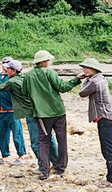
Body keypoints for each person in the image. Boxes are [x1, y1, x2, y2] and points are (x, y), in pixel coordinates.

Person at [77, 58, 112, 187]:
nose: (84, 70)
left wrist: (81, 79)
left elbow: (82, 93)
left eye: (87, 68)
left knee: (108, 150)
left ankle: (111, 179)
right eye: (83, 67)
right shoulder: (100, 78)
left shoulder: (94, 82)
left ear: (94, 69)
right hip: (111, 118)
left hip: (104, 119)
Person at [0, 59, 58, 171]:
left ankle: (44, 167)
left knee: (36, 142)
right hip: (41, 110)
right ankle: (57, 164)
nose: (5, 70)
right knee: (48, 137)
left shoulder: (12, 81)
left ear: (13, 70)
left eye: (8, 68)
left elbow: (0, 87)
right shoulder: (26, 78)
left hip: (31, 113)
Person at [25, 50, 81, 180]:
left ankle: (44, 170)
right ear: (44, 61)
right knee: (62, 140)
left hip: (41, 115)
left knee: (43, 142)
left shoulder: (29, 76)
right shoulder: (50, 72)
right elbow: (63, 87)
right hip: (58, 111)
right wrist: (77, 79)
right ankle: (60, 168)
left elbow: (24, 93)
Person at [0, 57, 27, 165]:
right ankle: (5, 156)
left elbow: (0, 86)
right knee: (1, 134)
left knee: (17, 134)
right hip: (1, 111)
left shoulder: (13, 79)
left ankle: (22, 155)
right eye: (4, 64)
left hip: (13, 110)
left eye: (7, 65)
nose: (5, 67)